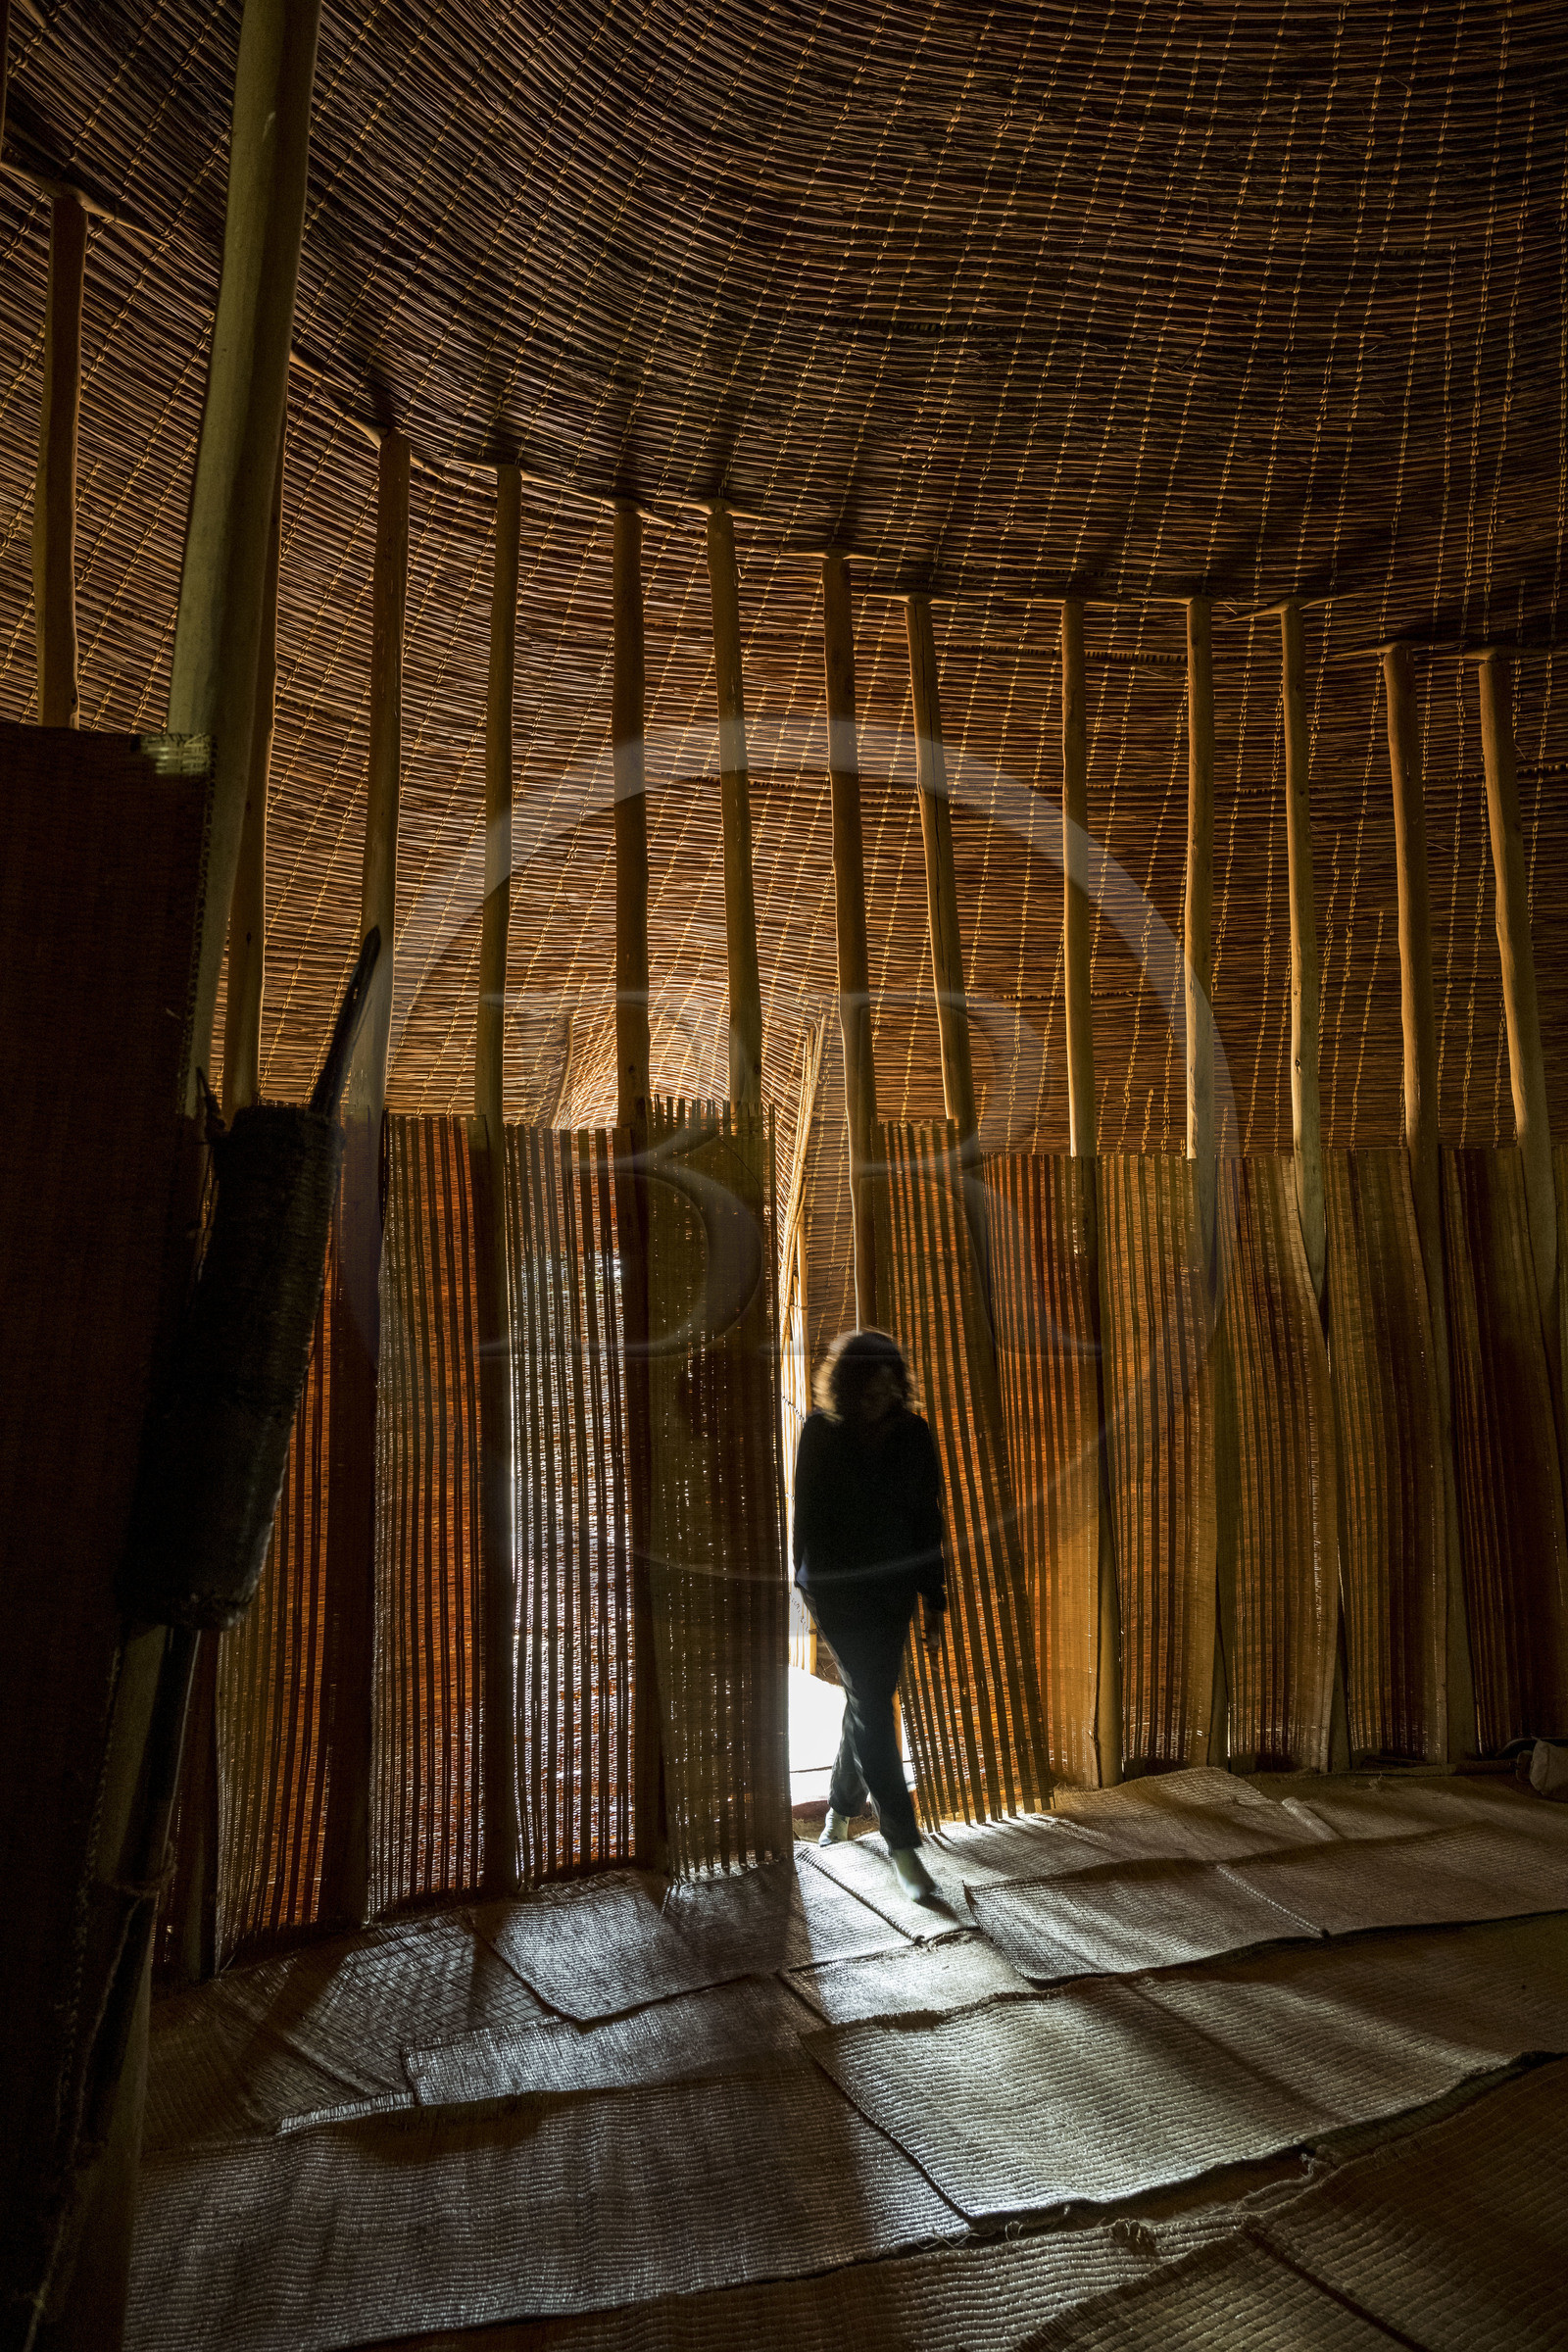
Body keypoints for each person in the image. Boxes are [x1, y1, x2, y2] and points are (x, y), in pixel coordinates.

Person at [792, 1327, 947, 1902]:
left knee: (866, 1699)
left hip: (892, 1594)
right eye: (873, 1379)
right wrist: (804, 1591)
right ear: (852, 1382)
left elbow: (925, 1520)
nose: (885, 1389)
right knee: (874, 1702)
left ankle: (837, 1814)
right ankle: (903, 1847)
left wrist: (934, 1597)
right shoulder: (820, 1432)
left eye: (892, 1378)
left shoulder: (913, 1434)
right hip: (836, 1593)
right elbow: (804, 1516)